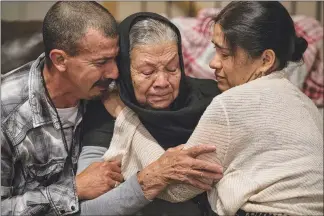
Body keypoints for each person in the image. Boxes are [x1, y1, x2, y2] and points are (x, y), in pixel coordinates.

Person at [1, 2, 223, 216]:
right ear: (60, 60)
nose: (115, 72)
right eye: (101, 62)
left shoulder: (104, 92)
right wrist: (73, 190)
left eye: (116, 59)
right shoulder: (7, 114)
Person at [103, 2, 323, 216]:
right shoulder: (307, 105)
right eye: (215, 50)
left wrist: (126, 116)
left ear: (266, 60)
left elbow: (176, 189)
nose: (213, 63)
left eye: (225, 54)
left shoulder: (233, 103)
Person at [78, 12, 223, 216]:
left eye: (172, 69)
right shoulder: (106, 107)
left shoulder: (212, 98)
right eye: (147, 72)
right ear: (125, 70)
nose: (163, 82)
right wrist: (152, 178)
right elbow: (87, 210)